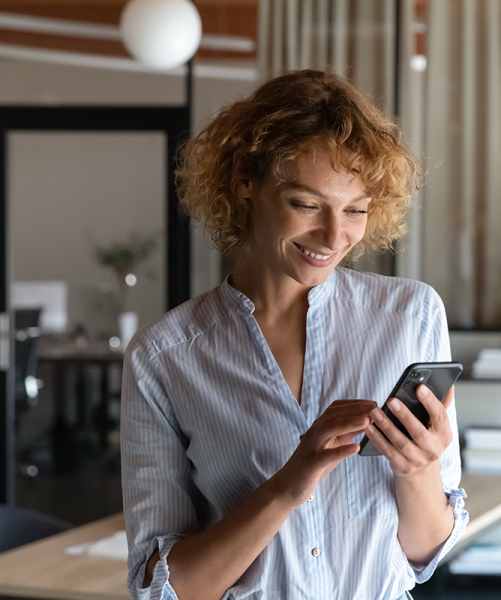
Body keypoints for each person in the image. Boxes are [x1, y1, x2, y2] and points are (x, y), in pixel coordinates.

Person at [121, 69, 468, 600]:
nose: (334, 236)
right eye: (306, 205)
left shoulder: (411, 315)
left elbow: (425, 554)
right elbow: (161, 588)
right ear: (244, 178)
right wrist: (286, 486)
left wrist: (418, 470)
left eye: (355, 210)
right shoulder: (164, 357)